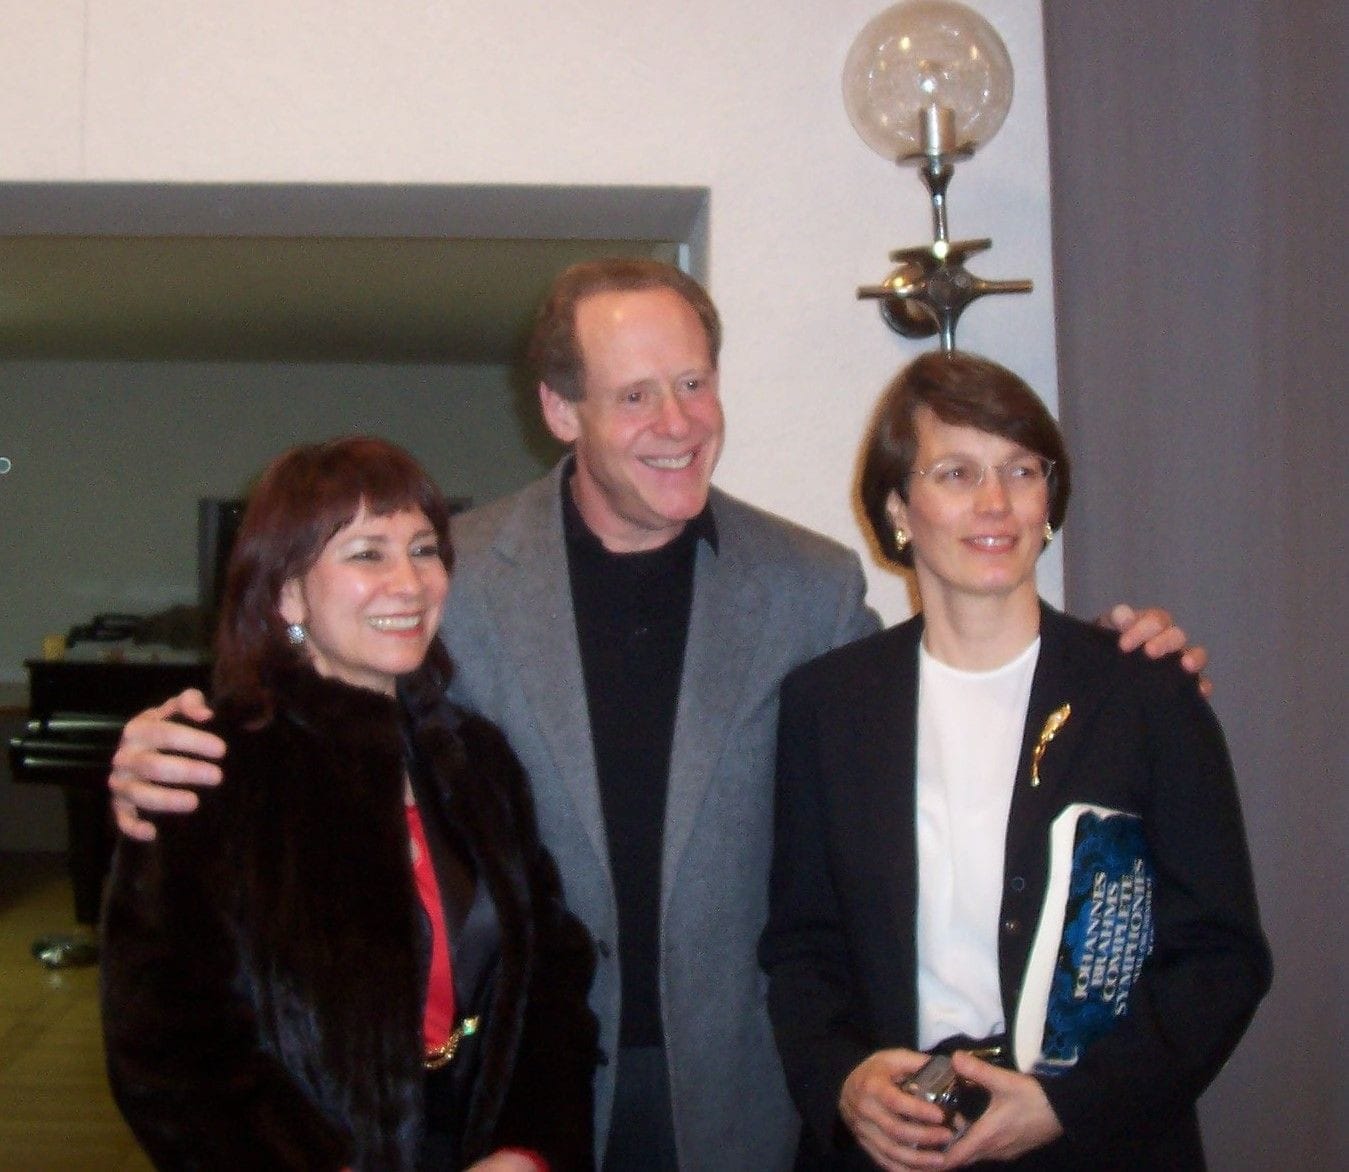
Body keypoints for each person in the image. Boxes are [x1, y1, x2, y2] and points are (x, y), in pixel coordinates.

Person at [107, 260, 1207, 1171]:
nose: (675, 422)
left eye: (694, 382)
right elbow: (324, 707)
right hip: (513, 1100)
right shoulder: (454, 573)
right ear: (558, 409)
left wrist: (1113, 660)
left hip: (744, 1091)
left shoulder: (808, 585)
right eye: (633, 394)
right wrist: (167, 737)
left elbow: (925, 724)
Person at [758, 351, 1270, 1171]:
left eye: (1020, 470)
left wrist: (1069, 1105)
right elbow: (801, 948)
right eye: (955, 472)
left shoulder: (1143, 693)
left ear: (1049, 499)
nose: (993, 503)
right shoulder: (827, 705)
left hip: (1100, 1139)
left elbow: (1220, 956)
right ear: (897, 508)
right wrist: (843, 1079)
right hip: (896, 1144)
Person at [100, 437, 597, 1171]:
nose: (410, 582)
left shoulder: (474, 757)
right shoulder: (206, 766)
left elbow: (551, 973)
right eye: (367, 554)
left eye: (425, 550)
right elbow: (168, 1047)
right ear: (288, 592)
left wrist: (526, 1147)